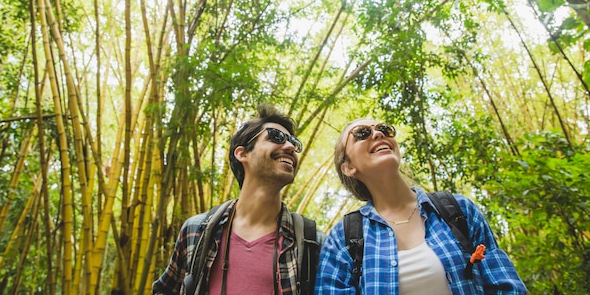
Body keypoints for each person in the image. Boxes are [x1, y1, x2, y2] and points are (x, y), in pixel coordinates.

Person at [315, 118, 528, 295]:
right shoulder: (342, 239)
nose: (378, 134)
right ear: (349, 167)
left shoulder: (458, 210)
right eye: (362, 133)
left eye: (384, 129)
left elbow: (506, 287)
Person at [153, 103, 325, 295]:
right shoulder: (196, 230)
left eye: (294, 142)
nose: (291, 147)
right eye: (276, 137)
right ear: (242, 153)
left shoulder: (313, 244)